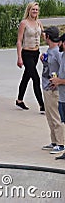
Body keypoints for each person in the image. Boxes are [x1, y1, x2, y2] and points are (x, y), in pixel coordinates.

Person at [16, 2, 45, 112]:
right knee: (35, 78)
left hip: (36, 53)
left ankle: (19, 100)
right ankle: (42, 105)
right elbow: (19, 41)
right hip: (26, 53)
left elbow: (44, 36)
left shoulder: (39, 23)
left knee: (26, 76)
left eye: (36, 10)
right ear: (29, 10)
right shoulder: (24, 23)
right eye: (33, 9)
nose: (35, 12)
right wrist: (19, 57)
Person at [40, 26, 64, 154]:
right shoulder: (49, 51)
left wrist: (58, 82)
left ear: (48, 37)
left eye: (44, 35)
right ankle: (54, 141)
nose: (43, 37)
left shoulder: (57, 52)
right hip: (46, 87)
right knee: (49, 116)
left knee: (56, 117)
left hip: (54, 89)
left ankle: (61, 143)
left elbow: (62, 69)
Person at [48, 33, 65, 160]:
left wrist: (59, 81)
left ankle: (61, 144)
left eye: (60, 42)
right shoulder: (63, 55)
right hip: (62, 98)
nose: (58, 44)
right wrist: (56, 82)